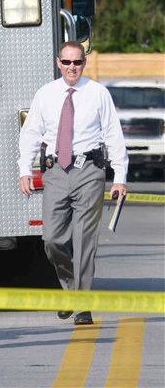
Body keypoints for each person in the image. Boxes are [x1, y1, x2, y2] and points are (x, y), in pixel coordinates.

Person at [18, 41, 128, 325]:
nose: (72, 68)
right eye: (66, 62)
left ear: (84, 63)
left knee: (83, 242)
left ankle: (82, 306)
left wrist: (120, 177)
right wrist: (24, 170)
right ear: (58, 63)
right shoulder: (46, 94)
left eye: (77, 62)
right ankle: (70, 291)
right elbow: (31, 134)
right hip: (55, 172)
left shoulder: (98, 93)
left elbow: (113, 135)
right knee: (52, 240)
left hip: (89, 170)